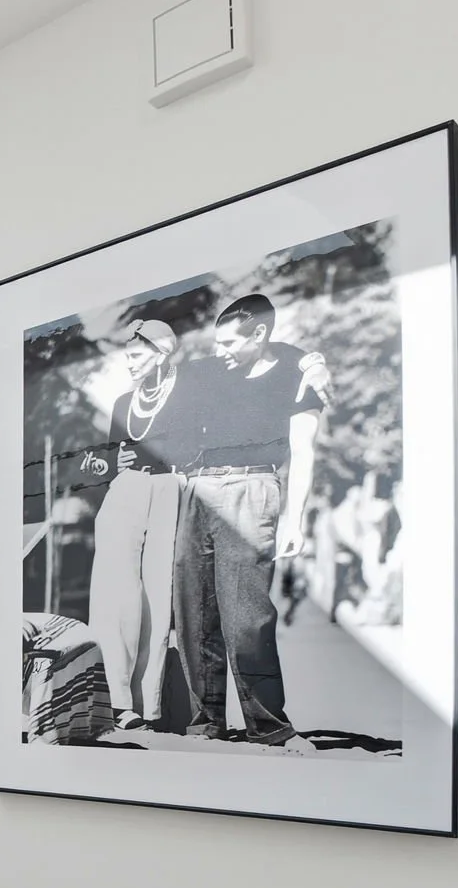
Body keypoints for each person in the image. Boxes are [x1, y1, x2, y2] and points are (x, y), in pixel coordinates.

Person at [170, 294, 325, 747]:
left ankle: (269, 727)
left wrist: (294, 520)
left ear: (260, 334)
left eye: (230, 342)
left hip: (253, 489)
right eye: (216, 342)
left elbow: (305, 450)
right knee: (193, 610)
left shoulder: (295, 378)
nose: (220, 351)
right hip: (198, 489)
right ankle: (205, 723)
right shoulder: (208, 371)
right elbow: (167, 375)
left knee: (246, 616)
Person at [87, 318, 198, 730]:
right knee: (116, 591)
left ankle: (147, 706)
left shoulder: (188, 394)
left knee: (157, 596)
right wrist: (110, 464)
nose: (129, 363)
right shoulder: (121, 403)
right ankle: (115, 699)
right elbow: (106, 454)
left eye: (135, 355)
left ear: (161, 353)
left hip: (171, 491)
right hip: (126, 492)